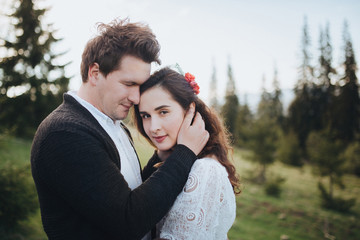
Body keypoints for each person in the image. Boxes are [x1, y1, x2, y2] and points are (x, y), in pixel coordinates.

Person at [30, 18, 209, 240]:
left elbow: (127, 193)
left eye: (140, 86)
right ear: (95, 73)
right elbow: (127, 221)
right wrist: (185, 153)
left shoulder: (114, 125)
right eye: (129, 84)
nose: (136, 98)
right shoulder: (65, 133)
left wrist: (159, 158)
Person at [133, 67, 241, 239]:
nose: (153, 127)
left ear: (189, 110)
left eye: (163, 112)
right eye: (146, 116)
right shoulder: (171, 160)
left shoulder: (205, 170)